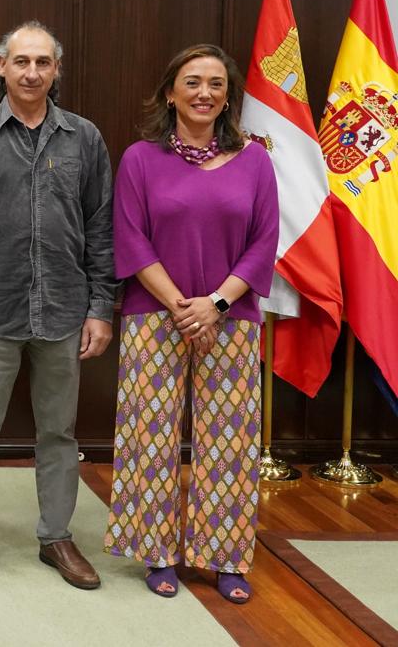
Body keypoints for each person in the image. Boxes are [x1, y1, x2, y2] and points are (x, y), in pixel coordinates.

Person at [0, 20, 116, 589]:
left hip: (64, 309)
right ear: (2, 68)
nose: (31, 72)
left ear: (56, 70)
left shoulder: (84, 138)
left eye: (42, 62)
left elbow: (101, 228)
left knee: (59, 432)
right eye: (21, 61)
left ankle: (56, 536)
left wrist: (101, 306)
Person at [103, 44, 278, 604]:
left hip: (231, 318)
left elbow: (264, 242)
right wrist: (183, 304)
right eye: (193, 82)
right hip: (157, 316)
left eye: (217, 85)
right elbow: (129, 238)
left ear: (229, 97)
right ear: (171, 92)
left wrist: (216, 305)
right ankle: (157, 551)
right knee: (148, 438)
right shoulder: (138, 159)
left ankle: (223, 556)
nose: (205, 93)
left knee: (229, 441)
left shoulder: (256, 160)